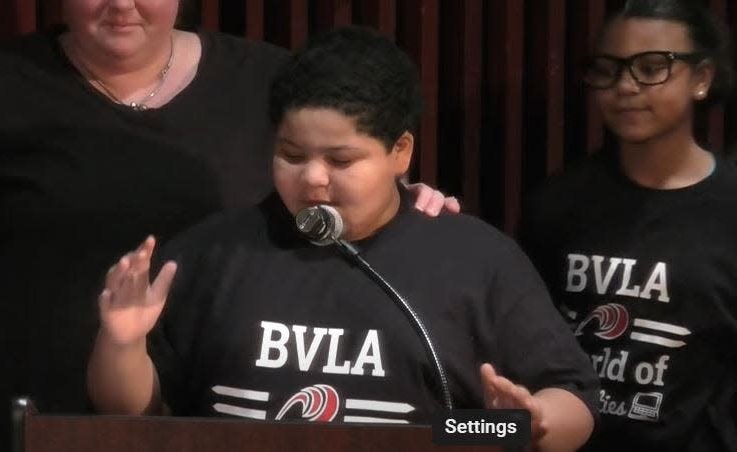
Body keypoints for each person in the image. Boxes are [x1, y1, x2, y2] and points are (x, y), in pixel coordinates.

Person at [0, 1, 456, 450]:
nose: (121, 4)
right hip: (34, 429)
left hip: (228, 430)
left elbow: (337, 193)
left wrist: (399, 204)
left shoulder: (266, 81)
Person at [89, 26, 599, 452]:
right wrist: (122, 344)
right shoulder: (214, 252)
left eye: (341, 161)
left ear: (400, 152)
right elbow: (135, 415)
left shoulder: (475, 259)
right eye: (291, 155)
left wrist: (522, 425)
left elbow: (574, 401)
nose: (311, 179)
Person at [520, 1, 737, 450]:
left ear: (702, 78)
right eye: (609, 68)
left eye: (653, 67)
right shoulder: (558, 203)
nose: (625, 86)